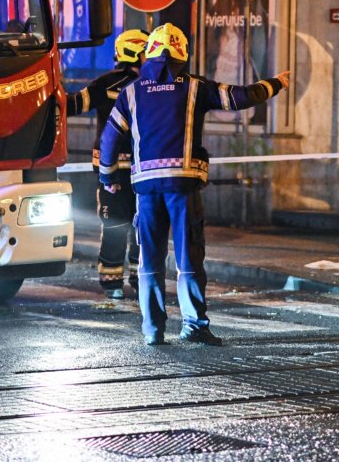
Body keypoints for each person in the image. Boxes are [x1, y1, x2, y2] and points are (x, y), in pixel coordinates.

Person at [99, 23, 290, 346]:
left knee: (150, 259)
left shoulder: (130, 92)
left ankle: (153, 330)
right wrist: (275, 84)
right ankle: (194, 325)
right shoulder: (194, 87)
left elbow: (109, 138)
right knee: (188, 257)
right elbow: (238, 98)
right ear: (181, 53)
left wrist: (108, 178)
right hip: (182, 187)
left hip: (145, 189)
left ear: (150, 53)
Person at [66, 29, 148, 299]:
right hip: (142, 169)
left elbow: (74, 105)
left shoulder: (104, 83)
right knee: (142, 223)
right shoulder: (149, 83)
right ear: (138, 53)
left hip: (108, 169)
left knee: (113, 223)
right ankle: (141, 277)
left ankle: (111, 282)